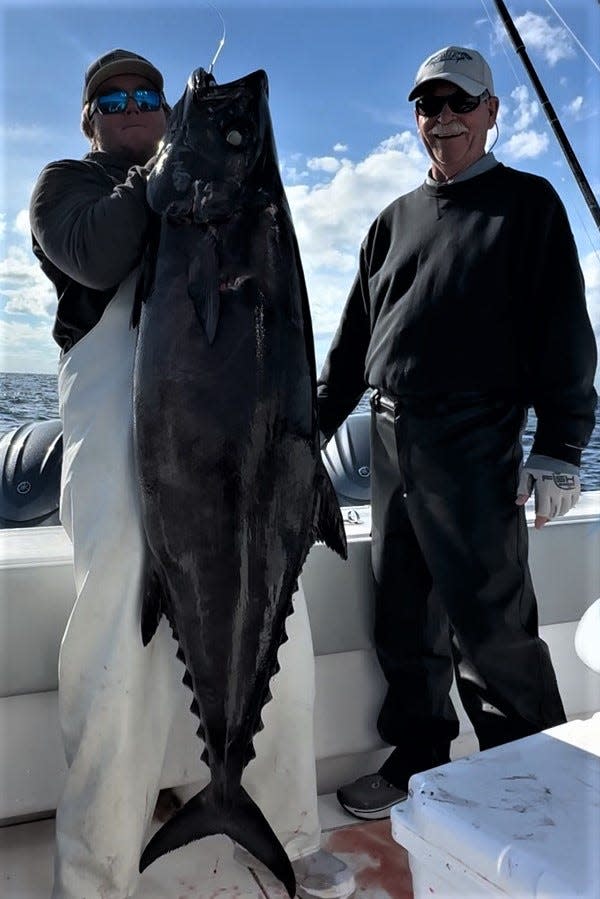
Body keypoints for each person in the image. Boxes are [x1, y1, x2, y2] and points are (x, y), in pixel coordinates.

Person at [30, 48, 354, 899]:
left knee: (282, 626)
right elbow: (98, 258)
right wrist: (173, 171)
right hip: (122, 451)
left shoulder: (228, 208)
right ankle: (97, 870)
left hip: (243, 451)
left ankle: (281, 827)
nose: (134, 106)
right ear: (90, 119)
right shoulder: (65, 187)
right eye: (113, 97)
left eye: (149, 94)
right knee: (114, 641)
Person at [317, 45, 598, 820]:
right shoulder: (390, 221)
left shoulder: (530, 205)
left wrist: (561, 446)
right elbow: (348, 350)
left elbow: (564, 336)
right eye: (427, 106)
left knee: (491, 622)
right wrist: (301, 429)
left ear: (491, 112)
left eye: (459, 104)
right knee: (403, 614)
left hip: (476, 437)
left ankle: (536, 778)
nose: (442, 119)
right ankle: (417, 757)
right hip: (388, 437)